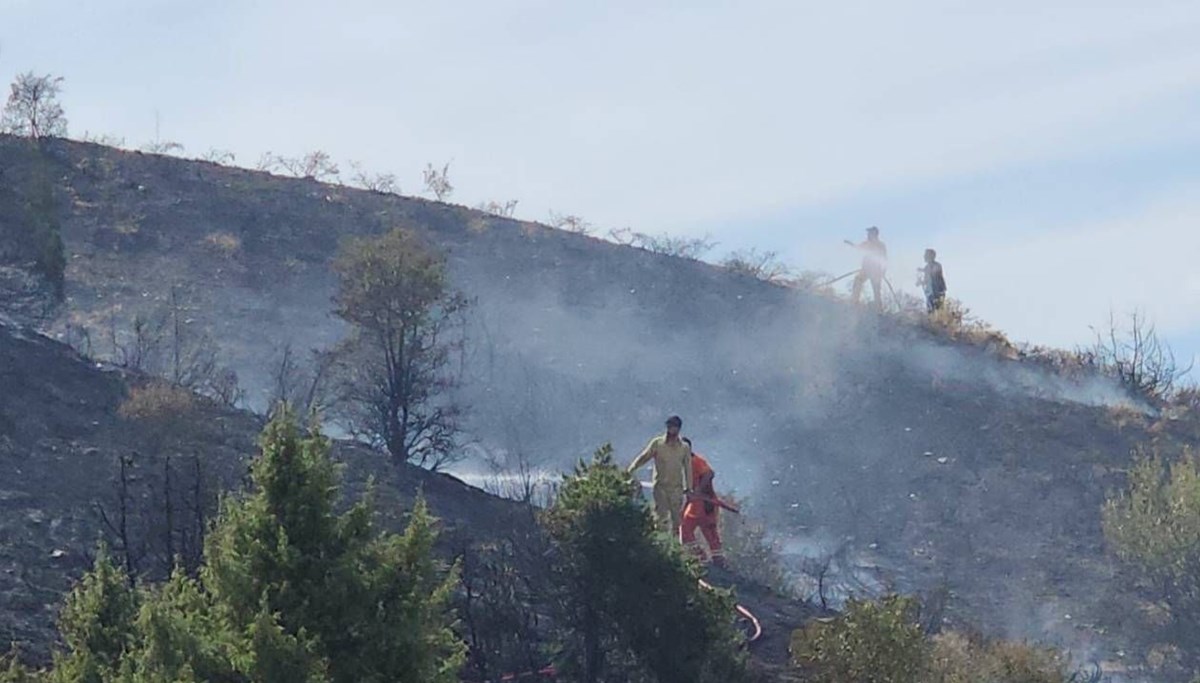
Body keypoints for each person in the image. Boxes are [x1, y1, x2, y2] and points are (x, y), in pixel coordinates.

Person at [628, 415, 693, 533]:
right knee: (661, 518)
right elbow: (644, 457)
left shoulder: (684, 447)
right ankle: (662, 544)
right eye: (670, 426)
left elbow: (688, 468)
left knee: (677, 521)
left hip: (676, 489)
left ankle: (675, 547)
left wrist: (689, 488)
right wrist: (631, 469)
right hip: (660, 487)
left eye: (674, 427)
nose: (672, 429)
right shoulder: (658, 444)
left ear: (679, 429)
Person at [680, 438, 725, 567]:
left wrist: (698, 491)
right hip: (697, 502)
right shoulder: (682, 464)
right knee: (691, 529)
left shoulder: (696, 461)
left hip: (704, 503)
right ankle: (704, 558)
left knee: (691, 528)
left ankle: (710, 559)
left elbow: (709, 473)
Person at [845, 226, 888, 310]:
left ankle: (879, 309)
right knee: (858, 280)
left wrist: (883, 271)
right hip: (866, 269)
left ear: (874, 234)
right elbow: (858, 247)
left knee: (876, 290)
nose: (867, 235)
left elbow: (884, 259)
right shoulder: (867, 243)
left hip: (876, 271)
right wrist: (850, 244)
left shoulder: (880, 245)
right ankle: (854, 302)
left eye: (869, 233)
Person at [918, 248, 947, 313]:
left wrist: (923, 270)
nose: (924, 257)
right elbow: (926, 280)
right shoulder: (927, 267)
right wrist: (920, 282)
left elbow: (934, 273)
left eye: (926, 255)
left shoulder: (937, 265)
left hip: (938, 292)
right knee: (930, 311)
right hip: (930, 293)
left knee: (939, 310)